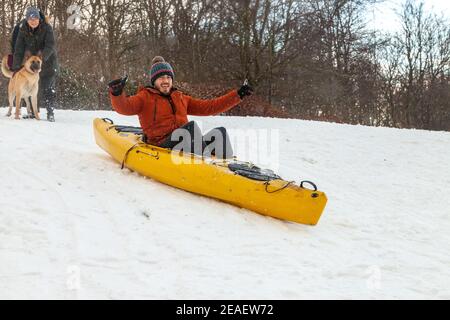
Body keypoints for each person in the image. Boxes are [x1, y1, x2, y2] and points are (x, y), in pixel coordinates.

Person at [108, 56, 253, 158]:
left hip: (185, 142)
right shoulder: (145, 97)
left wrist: (238, 94)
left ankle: (228, 169)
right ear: (154, 81)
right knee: (189, 129)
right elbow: (124, 107)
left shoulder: (181, 97)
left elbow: (210, 107)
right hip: (162, 144)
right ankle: (204, 168)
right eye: (161, 78)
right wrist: (117, 93)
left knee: (219, 133)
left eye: (168, 78)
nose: (165, 81)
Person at [11, 7, 59, 122]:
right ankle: (33, 112)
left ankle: (50, 112)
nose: (33, 21)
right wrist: (16, 66)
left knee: (48, 88)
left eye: (36, 18)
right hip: (31, 64)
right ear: (27, 20)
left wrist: (42, 57)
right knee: (31, 89)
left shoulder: (47, 28)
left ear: (39, 19)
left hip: (47, 61)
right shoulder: (23, 30)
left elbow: (50, 45)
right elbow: (19, 49)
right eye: (31, 19)